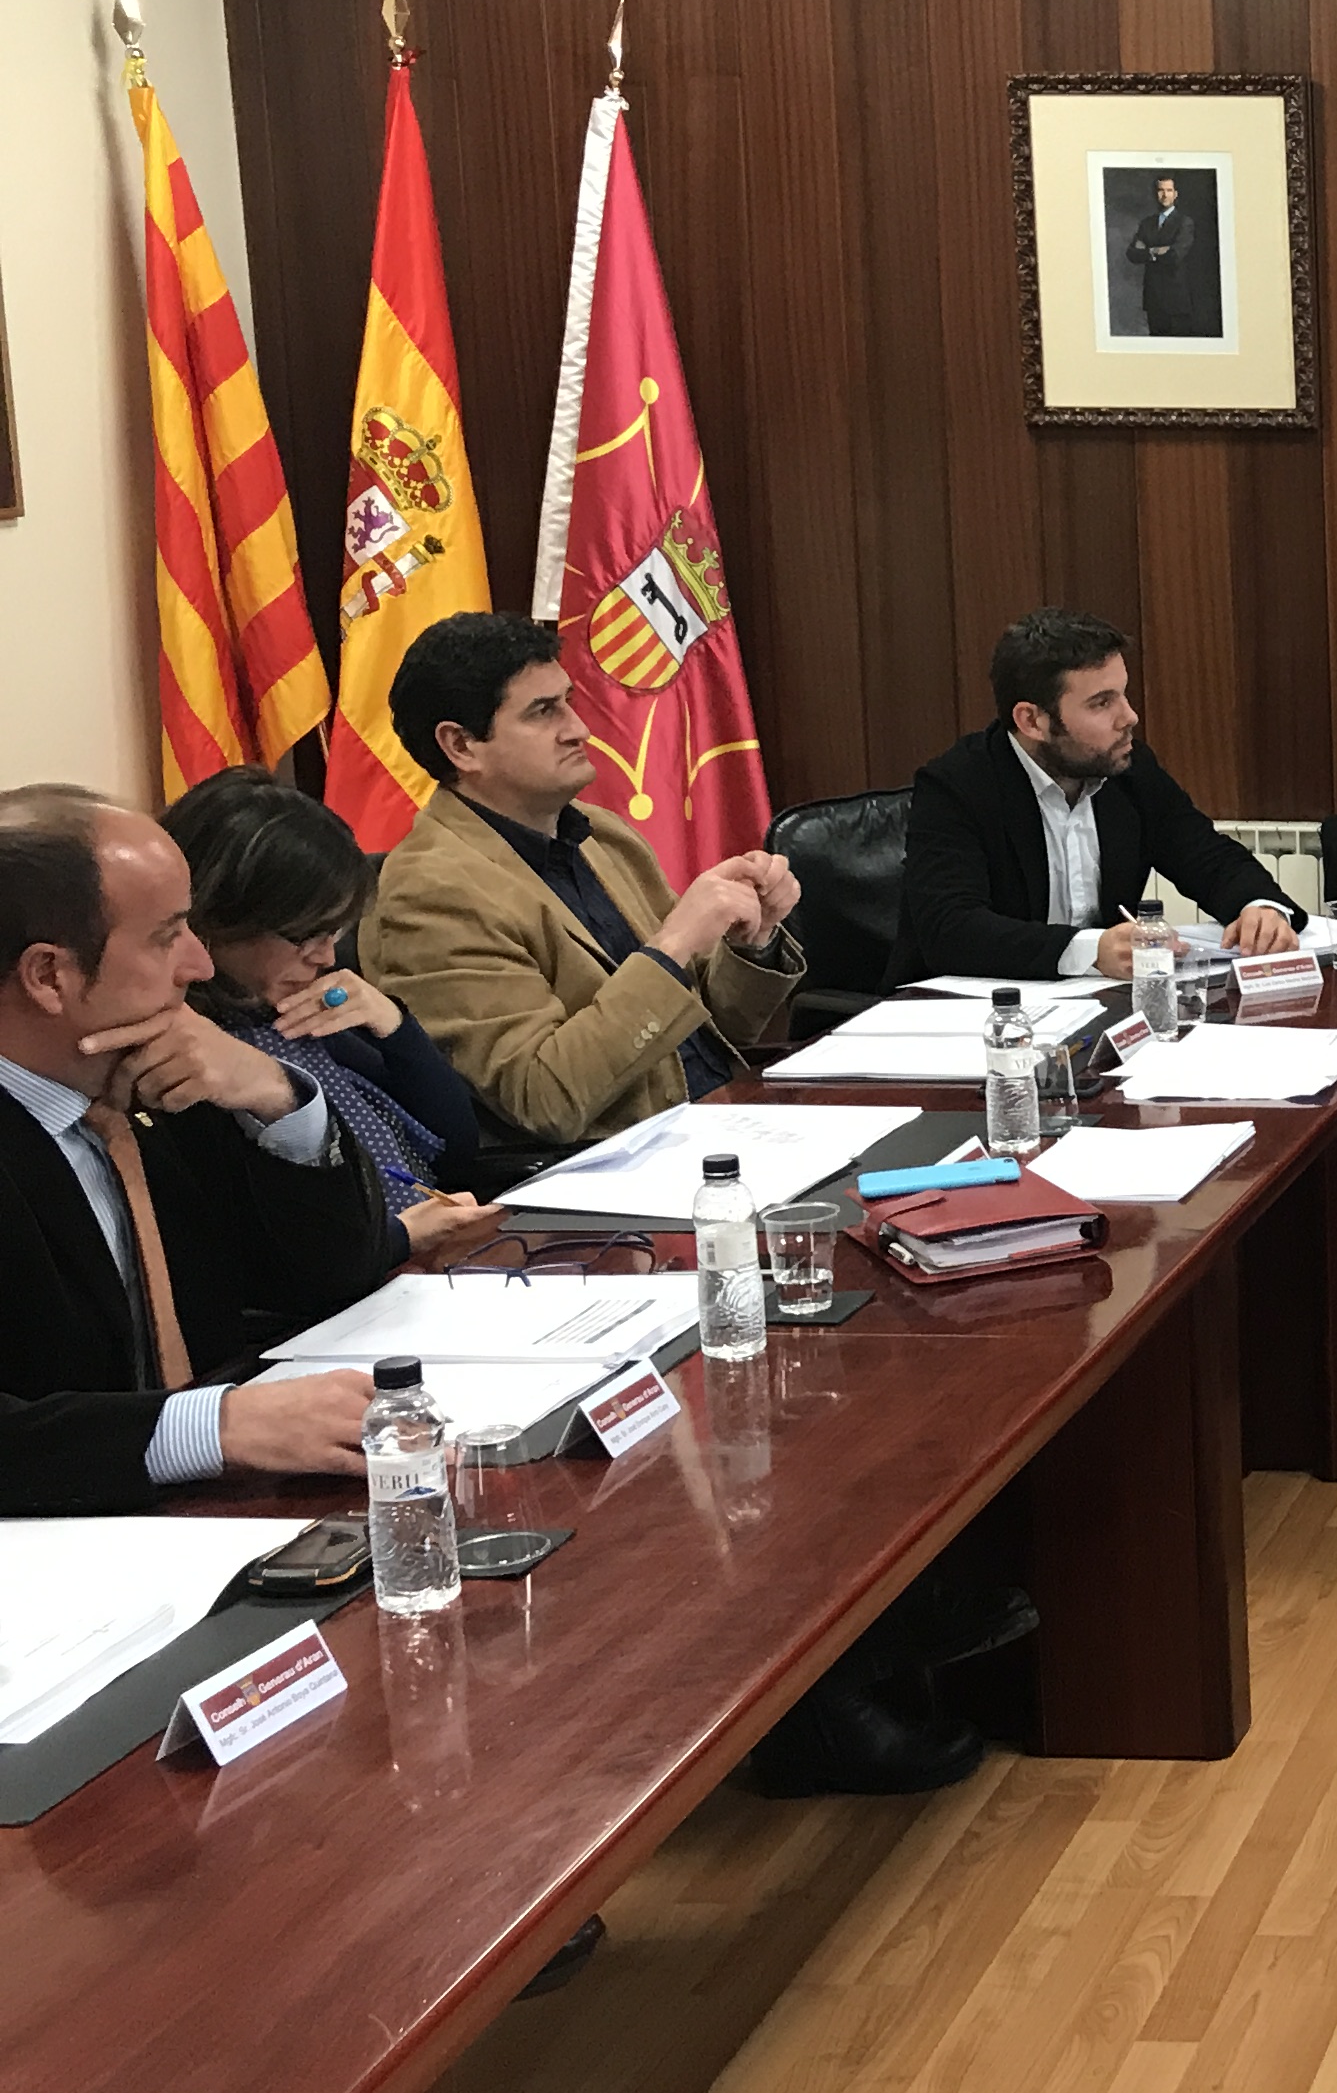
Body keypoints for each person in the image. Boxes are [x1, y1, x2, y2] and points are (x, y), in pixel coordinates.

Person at [1, 785, 406, 1517]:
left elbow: (339, 1275)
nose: (201, 965)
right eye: (166, 937)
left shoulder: (160, 1080)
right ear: (50, 976)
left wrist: (273, 1094)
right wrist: (212, 1428)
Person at [364, 612, 807, 1153]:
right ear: (461, 746)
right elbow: (543, 1100)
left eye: (568, 702)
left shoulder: (602, 835)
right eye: (543, 711)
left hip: (719, 1124)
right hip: (613, 1168)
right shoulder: (431, 894)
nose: (579, 729)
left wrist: (752, 941)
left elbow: (706, 1030)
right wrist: (675, 944)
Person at [157, 766, 490, 1250]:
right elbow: (262, 1243)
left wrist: (394, 1027)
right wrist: (399, 1239)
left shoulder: (292, 1009)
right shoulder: (191, 1051)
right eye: (304, 935)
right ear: (216, 917)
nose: (327, 957)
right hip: (360, 1273)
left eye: (334, 932)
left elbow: (455, 1147)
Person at [893, 607, 1302, 985]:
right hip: (972, 1014)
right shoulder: (957, 785)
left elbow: (1207, 856)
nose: (1129, 717)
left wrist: (1259, 907)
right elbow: (950, 929)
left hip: (1096, 1006)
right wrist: (1089, 950)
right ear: (1032, 721)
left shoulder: (1128, 769)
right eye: (1102, 703)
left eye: (1123, 694)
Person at [1124, 175, 1214, 339]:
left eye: (1169, 190)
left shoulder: (1184, 223)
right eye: (1161, 190)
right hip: (1153, 298)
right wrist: (1155, 251)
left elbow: (1175, 255)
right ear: (1155, 193)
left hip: (1176, 300)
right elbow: (1132, 254)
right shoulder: (1147, 223)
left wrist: (1147, 250)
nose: (1165, 195)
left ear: (1175, 194)